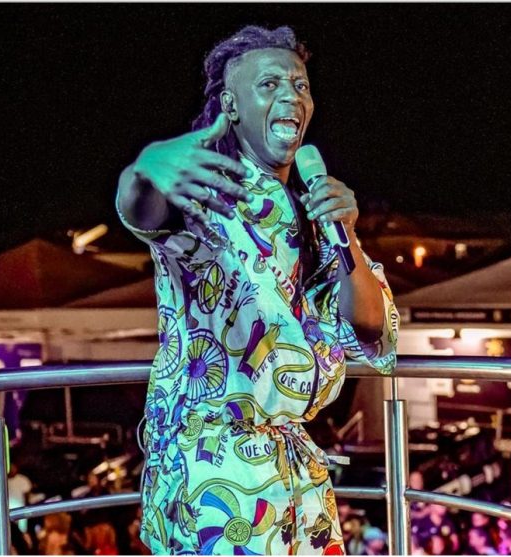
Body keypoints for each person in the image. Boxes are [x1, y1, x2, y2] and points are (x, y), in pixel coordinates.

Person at [117, 25, 399, 555]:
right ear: (231, 105)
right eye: (269, 85)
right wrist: (143, 170)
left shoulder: (312, 209)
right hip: (216, 472)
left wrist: (346, 233)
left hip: (297, 475)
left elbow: (368, 324)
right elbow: (144, 210)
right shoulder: (209, 192)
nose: (291, 95)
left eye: (300, 85)